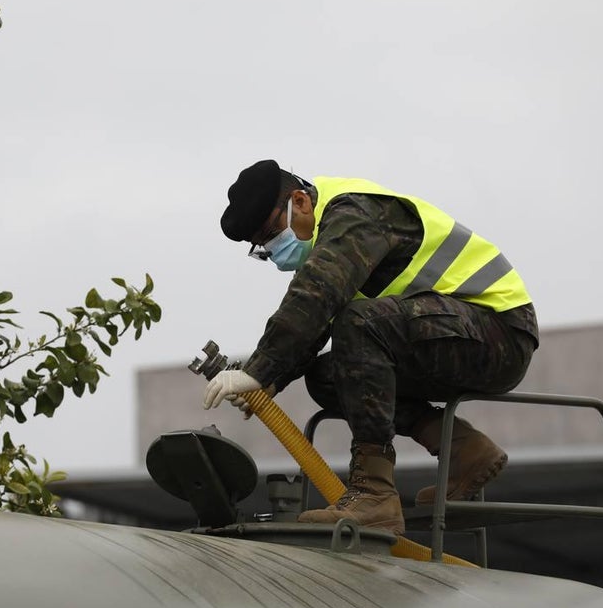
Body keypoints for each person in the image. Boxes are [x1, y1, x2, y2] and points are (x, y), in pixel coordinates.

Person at [202, 160, 539, 534]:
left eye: (270, 235)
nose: (273, 250)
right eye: (262, 247)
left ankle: (374, 494)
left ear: (299, 201)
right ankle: (463, 449)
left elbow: (317, 295)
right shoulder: (327, 237)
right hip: (449, 337)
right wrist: (269, 384)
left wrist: (256, 370)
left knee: (360, 324)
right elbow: (316, 322)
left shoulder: (354, 213)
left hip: (499, 333)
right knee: (329, 376)